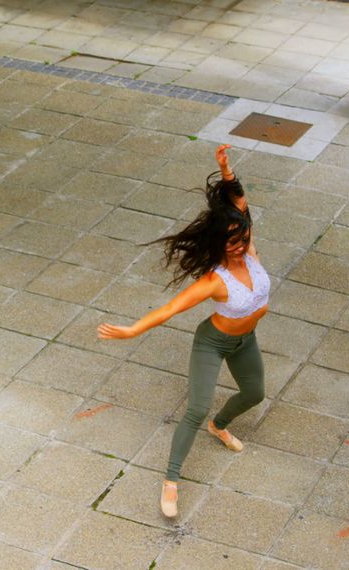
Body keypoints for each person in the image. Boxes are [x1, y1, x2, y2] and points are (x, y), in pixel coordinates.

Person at [97, 144, 269, 518]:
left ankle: (218, 426)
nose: (241, 246)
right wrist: (132, 331)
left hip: (245, 341)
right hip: (214, 342)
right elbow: (170, 309)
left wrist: (225, 169)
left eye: (243, 238)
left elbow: (240, 202)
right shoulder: (213, 281)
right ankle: (171, 480)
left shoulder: (248, 246)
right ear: (219, 244)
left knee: (255, 393)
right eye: (233, 242)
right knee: (196, 407)